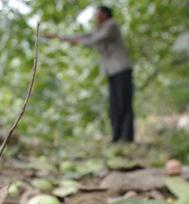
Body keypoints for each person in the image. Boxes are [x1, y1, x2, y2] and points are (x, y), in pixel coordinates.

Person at [45, 5, 134, 143]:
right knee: (114, 104)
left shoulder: (111, 25)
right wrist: (59, 38)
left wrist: (78, 42)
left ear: (104, 14)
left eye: (96, 14)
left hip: (122, 69)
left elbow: (95, 39)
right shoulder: (99, 29)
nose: (94, 17)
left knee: (124, 103)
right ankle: (116, 137)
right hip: (112, 71)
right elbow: (85, 36)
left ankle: (127, 137)